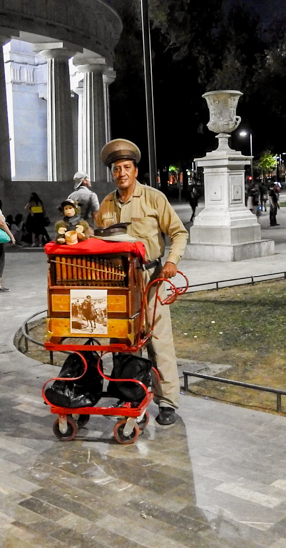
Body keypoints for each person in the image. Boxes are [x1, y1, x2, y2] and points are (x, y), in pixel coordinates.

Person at [95, 138, 188, 427]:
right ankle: (130, 393)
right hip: (118, 282)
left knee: (158, 340)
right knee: (123, 341)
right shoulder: (107, 203)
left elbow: (178, 232)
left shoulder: (153, 198)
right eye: (116, 169)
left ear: (135, 170)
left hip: (150, 279)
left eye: (126, 167)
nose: (121, 173)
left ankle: (167, 401)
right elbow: (99, 239)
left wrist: (172, 261)